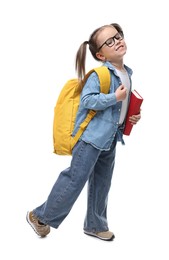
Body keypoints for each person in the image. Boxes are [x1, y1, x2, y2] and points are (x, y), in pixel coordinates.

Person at [26, 23, 141, 241]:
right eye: (110, 41)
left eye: (118, 36)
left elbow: (120, 107)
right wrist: (113, 97)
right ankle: (39, 216)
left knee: (102, 182)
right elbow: (87, 101)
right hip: (91, 138)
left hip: (110, 138)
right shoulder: (99, 75)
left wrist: (131, 116)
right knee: (74, 180)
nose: (117, 41)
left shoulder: (127, 73)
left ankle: (95, 225)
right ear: (101, 55)